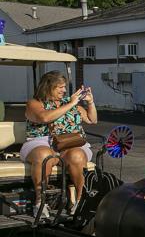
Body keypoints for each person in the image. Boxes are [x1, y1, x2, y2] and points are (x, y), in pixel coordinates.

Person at [22, 71, 97, 218]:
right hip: (41, 142)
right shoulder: (34, 103)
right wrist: (71, 104)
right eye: (60, 87)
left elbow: (92, 120)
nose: (64, 90)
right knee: (45, 155)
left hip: (70, 142)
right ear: (48, 87)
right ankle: (40, 202)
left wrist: (90, 102)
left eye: (64, 87)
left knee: (77, 155)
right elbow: (44, 117)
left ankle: (80, 202)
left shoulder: (69, 103)